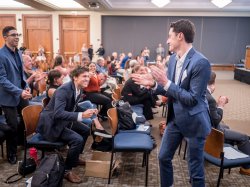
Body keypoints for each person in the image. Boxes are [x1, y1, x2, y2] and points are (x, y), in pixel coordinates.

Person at [131, 19, 211, 187]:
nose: (167, 40)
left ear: (180, 36)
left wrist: (165, 82)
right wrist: (153, 84)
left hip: (194, 121)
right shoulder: (174, 59)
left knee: (194, 170)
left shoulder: (201, 62)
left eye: (170, 36)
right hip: (175, 119)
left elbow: (191, 99)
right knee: (163, 157)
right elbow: (170, 89)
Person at [37, 66, 95, 183]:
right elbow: (58, 113)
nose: (87, 79)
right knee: (77, 140)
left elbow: (73, 106)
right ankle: (66, 171)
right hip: (52, 125)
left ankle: (75, 157)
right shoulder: (64, 90)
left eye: (88, 76)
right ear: (75, 77)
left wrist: (86, 111)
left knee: (85, 129)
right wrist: (81, 116)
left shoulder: (78, 88)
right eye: (84, 76)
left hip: (61, 121)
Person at [207, 71, 250, 176]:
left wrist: (215, 104)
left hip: (203, 129)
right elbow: (216, 119)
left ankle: (228, 151)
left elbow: (209, 112)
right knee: (244, 137)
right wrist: (221, 105)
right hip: (211, 132)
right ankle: (246, 168)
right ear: (212, 83)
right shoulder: (210, 99)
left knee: (227, 126)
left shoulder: (200, 93)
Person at [0, 26, 32, 164]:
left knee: (25, 121)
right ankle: (11, 153)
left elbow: (21, 74)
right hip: (8, 97)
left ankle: (22, 143)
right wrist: (19, 91)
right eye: (13, 35)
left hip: (21, 94)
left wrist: (26, 86)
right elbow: (2, 79)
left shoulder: (18, 52)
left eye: (18, 34)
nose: (17, 37)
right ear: (5, 37)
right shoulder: (1, 55)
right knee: (12, 126)